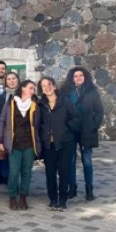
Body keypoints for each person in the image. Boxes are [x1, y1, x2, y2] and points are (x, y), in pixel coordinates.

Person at [60, 66, 104, 201]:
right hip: (71, 130)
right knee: (71, 160)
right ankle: (72, 187)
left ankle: (89, 188)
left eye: (81, 75)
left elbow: (99, 111)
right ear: (71, 78)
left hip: (87, 130)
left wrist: (94, 126)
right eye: (75, 76)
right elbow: (62, 110)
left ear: (85, 77)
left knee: (87, 160)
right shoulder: (66, 92)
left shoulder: (92, 92)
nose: (78, 78)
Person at [37, 76, 80, 212]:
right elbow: (38, 123)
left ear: (54, 86)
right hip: (48, 144)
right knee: (50, 173)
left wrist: (66, 128)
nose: (47, 87)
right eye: (44, 86)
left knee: (64, 171)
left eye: (49, 84)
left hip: (65, 143)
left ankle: (63, 200)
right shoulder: (40, 104)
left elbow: (76, 118)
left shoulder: (65, 102)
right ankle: (53, 199)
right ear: (42, 89)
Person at [0, 80, 40, 211]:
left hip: (29, 143)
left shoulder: (35, 104)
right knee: (14, 172)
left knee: (27, 172)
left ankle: (23, 196)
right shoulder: (11, 102)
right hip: (14, 143)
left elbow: (39, 124)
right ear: (23, 89)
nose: (33, 91)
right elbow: (2, 121)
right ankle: (12, 196)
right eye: (31, 88)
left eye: (34, 89)